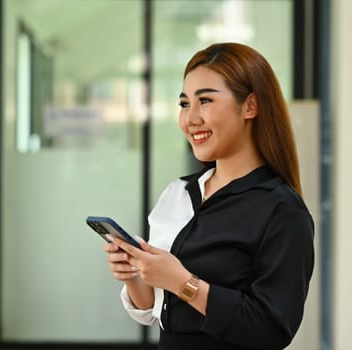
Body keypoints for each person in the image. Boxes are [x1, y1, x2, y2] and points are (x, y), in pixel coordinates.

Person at [103, 42, 314, 350]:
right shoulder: (177, 193)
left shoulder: (282, 210)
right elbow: (153, 308)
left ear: (250, 106)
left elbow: (272, 330)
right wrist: (134, 275)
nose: (190, 119)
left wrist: (182, 282)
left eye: (205, 101)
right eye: (185, 104)